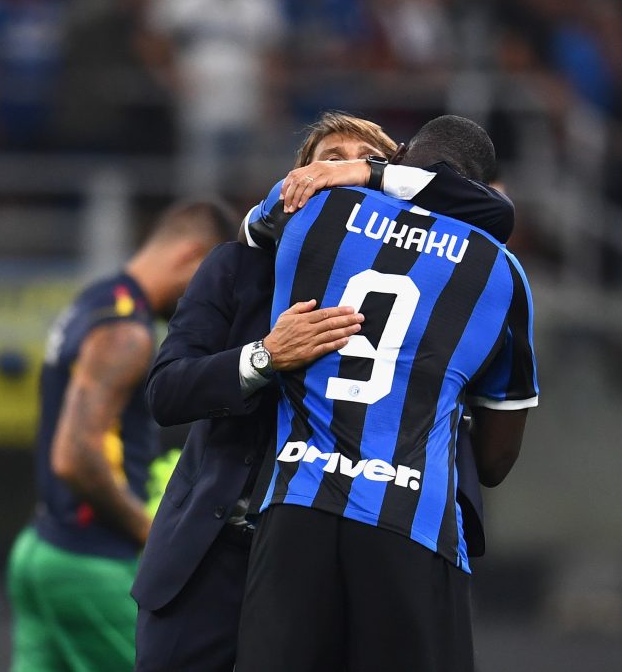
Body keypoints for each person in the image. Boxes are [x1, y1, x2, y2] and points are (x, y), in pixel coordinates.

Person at [132, 111, 515, 671]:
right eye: (329, 161)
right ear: (299, 181)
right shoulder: (239, 267)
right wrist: (265, 356)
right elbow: (167, 392)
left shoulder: (439, 296)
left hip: (341, 555)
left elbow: (491, 208)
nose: (343, 172)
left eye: (363, 163)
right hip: (217, 554)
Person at [235, 115, 538, 672]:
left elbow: (249, 237)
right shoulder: (501, 271)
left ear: (397, 159)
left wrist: (363, 176)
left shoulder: (311, 205)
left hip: (297, 508)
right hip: (412, 524)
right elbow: (496, 457)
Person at [6, 202, 234, 672]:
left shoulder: (97, 299)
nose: (209, 297)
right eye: (210, 279)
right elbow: (74, 455)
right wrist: (150, 532)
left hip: (41, 547)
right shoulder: (127, 332)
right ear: (191, 254)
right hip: (91, 561)